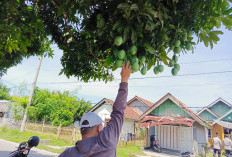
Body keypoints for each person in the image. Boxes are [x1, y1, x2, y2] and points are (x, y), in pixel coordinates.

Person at [59, 61, 131, 157]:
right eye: (101, 125)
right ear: (98, 128)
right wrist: (124, 79)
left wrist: (124, 80)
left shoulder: (68, 153)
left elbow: (118, 113)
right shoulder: (106, 143)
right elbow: (118, 112)